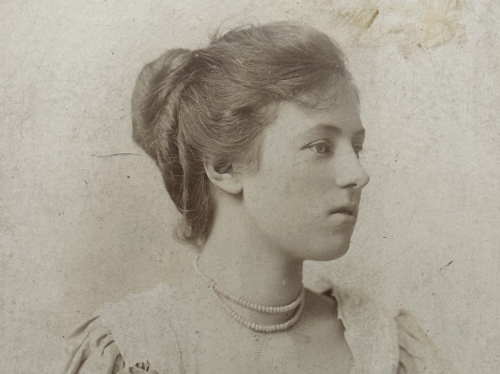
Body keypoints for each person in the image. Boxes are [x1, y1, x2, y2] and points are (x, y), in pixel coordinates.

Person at [62, 22, 457, 374]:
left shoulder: (382, 347)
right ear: (224, 167)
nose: (358, 174)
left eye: (356, 147)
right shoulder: (138, 349)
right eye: (320, 146)